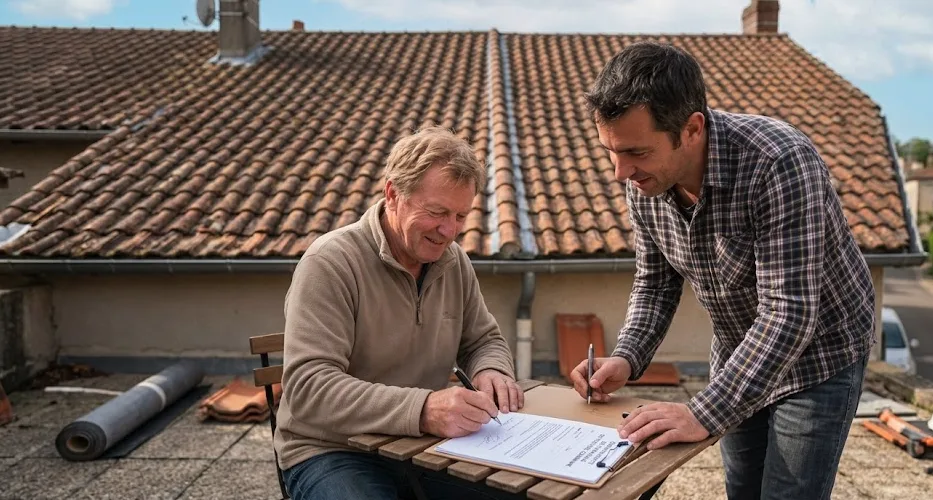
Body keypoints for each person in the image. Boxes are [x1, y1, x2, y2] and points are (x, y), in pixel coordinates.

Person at [569, 41, 875, 500]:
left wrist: (700, 413)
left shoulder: (779, 162)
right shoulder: (645, 182)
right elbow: (655, 284)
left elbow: (789, 313)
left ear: (691, 128)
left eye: (635, 152)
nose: (619, 172)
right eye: (611, 152)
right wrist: (626, 357)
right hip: (739, 351)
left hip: (820, 357)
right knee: (742, 490)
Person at [275, 126, 523, 500]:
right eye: (437, 212)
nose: (449, 231)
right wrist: (423, 409)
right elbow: (310, 387)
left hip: (421, 445)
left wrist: (491, 369)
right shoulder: (330, 263)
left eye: (460, 215)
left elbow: (483, 340)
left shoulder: (454, 262)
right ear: (393, 194)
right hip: (333, 450)